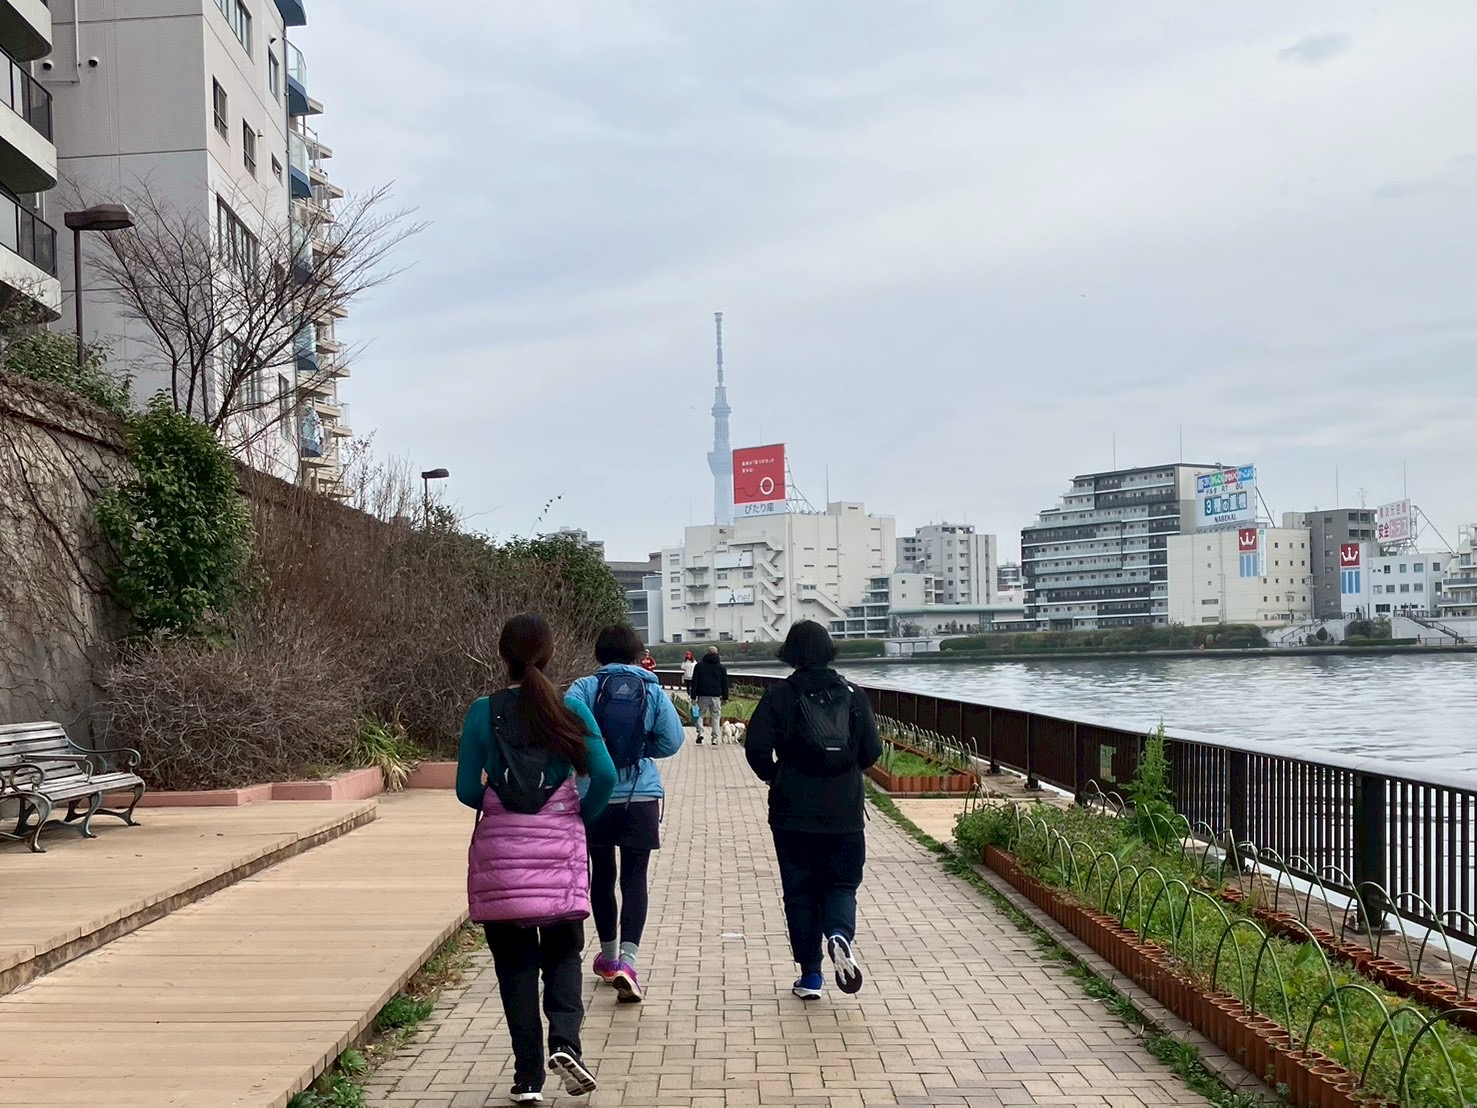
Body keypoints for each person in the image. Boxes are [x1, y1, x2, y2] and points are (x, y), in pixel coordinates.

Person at [458, 612, 617, 1105]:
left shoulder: (482, 712)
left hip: (503, 858)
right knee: (564, 952)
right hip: (559, 854)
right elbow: (606, 776)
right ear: (549, 655)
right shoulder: (570, 710)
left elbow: (466, 790)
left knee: (514, 966)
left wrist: (500, 803)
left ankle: (528, 1078)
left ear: (502, 655)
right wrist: (575, 818)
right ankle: (566, 1045)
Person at [745, 621, 881, 1001]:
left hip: (793, 812)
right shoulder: (853, 694)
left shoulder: (780, 696)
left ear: (791, 653)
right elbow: (872, 752)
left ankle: (811, 977)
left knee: (800, 891)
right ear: (829, 651)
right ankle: (839, 934)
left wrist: (776, 776)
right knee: (841, 883)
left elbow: (755, 748)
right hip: (845, 811)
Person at [567, 625, 685, 1003]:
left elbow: (567, 736)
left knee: (602, 875)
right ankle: (629, 963)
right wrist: (640, 748)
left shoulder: (583, 689)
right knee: (635, 878)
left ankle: (609, 956)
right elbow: (673, 740)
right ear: (637, 654)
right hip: (641, 796)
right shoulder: (651, 687)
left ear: (598, 654)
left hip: (595, 795)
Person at [688, 645, 729, 745]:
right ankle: (714, 738)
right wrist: (725, 697)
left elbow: (695, 682)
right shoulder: (721, 667)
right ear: (717, 653)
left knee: (699, 715)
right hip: (716, 695)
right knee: (715, 717)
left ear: (707, 653)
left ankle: (700, 732)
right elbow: (725, 683)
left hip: (702, 695)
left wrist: (693, 696)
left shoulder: (699, 666)